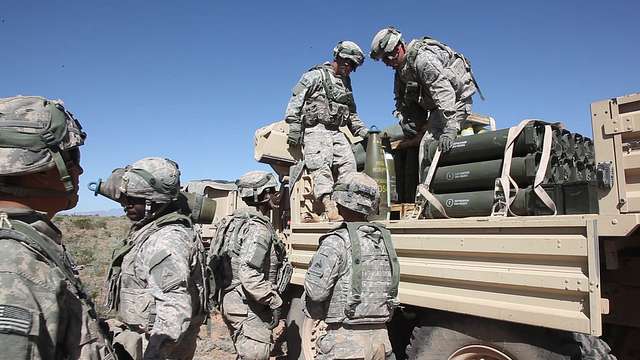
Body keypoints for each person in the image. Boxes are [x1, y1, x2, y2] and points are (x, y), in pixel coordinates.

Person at [0, 95, 115, 359]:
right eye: (72, 155)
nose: (80, 170)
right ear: (39, 167)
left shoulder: (25, 243)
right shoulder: (13, 268)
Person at [104, 157, 206, 360]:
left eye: (134, 199)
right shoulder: (149, 229)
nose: (126, 204)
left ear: (155, 202)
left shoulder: (165, 241)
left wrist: (155, 354)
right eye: (125, 198)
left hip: (161, 348)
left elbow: (174, 308)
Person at [304, 172, 400, 360]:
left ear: (340, 201)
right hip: (381, 342)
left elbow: (316, 292)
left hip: (345, 344)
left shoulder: (336, 241)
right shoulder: (383, 240)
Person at [370, 27, 481, 181]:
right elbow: (403, 102)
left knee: (439, 145)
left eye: (390, 56)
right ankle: (427, 192)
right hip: (437, 107)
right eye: (384, 60)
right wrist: (408, 120)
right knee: (426, 147)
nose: (388, 62)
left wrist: (450, 128)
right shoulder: (401, 72)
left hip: (456, 101)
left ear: (400, 46)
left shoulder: (423, 60)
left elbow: (444, 92)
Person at [285, 41, 370, 221]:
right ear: (340, 58)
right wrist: (293, 125)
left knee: (349, 166)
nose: (350, 68)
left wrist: (363, 132)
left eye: (353, 66)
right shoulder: (315, 75)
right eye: (349, 64)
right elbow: (296, 100)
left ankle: (346, 205)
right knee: (321, 167)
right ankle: (329, 206)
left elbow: (351, 113)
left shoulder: (346, 83)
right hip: (315, 129)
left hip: (337, 131)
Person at [214, 171, 290, 360]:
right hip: (247, 305)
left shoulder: (231, 222)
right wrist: (273, 301)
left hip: (232, 301)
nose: (277, 195)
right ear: (263, 195)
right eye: (273, 191)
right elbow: (248, 272)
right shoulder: (258, 229)